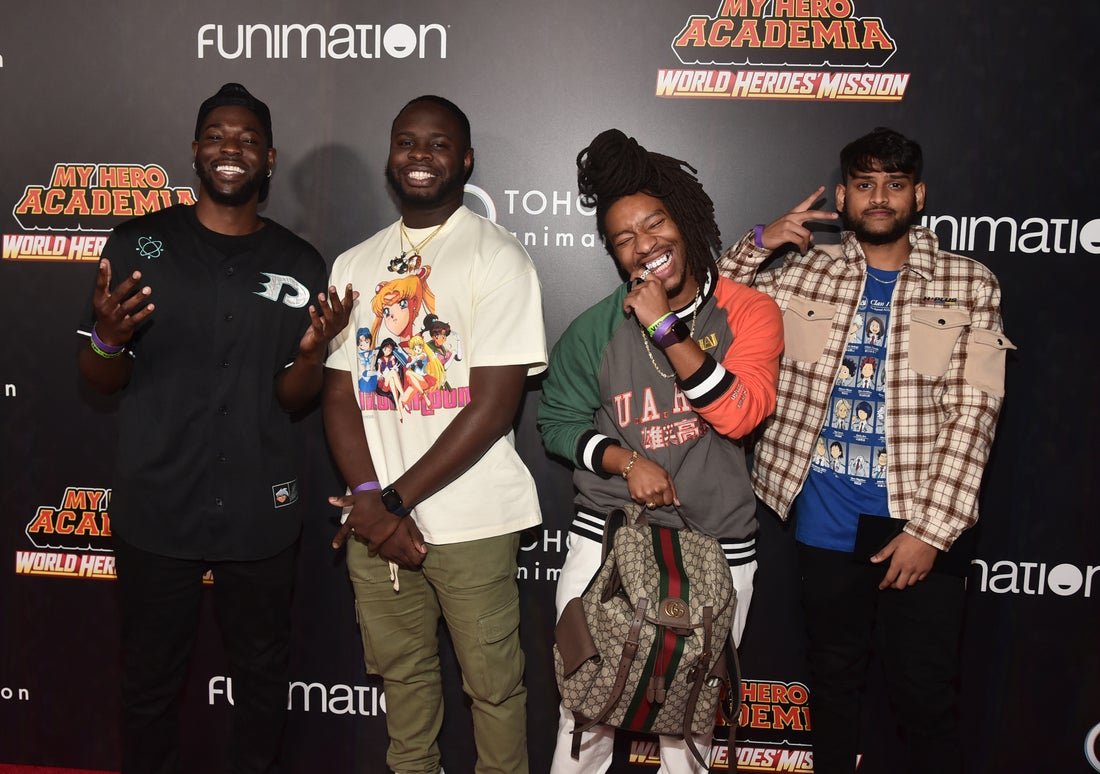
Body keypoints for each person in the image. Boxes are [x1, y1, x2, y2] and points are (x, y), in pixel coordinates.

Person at [77, 82, 354, 773]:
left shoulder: (299, 263)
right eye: (217, 136)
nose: (231, 149)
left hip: (261, 509)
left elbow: (292, 397)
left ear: (269, 158)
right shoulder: (139, 243)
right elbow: (98, 378)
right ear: (194, 150)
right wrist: (108, 339)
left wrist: (313, 354)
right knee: (148, 683)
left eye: (247, 139)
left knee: (262, 684)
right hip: (158, 507)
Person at [719, 127, 1013, 774]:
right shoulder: (802, 274)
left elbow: (977, 413)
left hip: (923, 520)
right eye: (864, 184)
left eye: (895, 184)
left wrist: (929, 533)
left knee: (926, 700)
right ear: (846, 199)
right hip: (826, 518)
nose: (879, 197)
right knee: (832, 690)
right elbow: (705, 312)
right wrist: (758, 244)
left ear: (920, 195)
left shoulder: (971, 284)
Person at [538, 129, 783, 773]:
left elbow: (740, 413)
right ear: (614, 255)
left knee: (693, 714)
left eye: (654, 224)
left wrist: (665, 328)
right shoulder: (593, 329)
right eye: (624, 239)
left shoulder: (750, 313)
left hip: (718, 546)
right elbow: (557, 424)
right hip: (609, 541)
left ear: (684, 218)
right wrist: (624, 461)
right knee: (585, 706)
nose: (645, 246)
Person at [322, 95, 547, 774]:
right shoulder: (354, 263)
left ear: (467, 160)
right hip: (374, 518)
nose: (420, 158)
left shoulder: (498, 257)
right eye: (407, 143)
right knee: (405, 687)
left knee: (495, 692)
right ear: (390, 156)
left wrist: (391, 504)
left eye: (439, 145)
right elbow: (338, 393)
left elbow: (494, 406)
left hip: (472, 522)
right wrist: (368, 496)